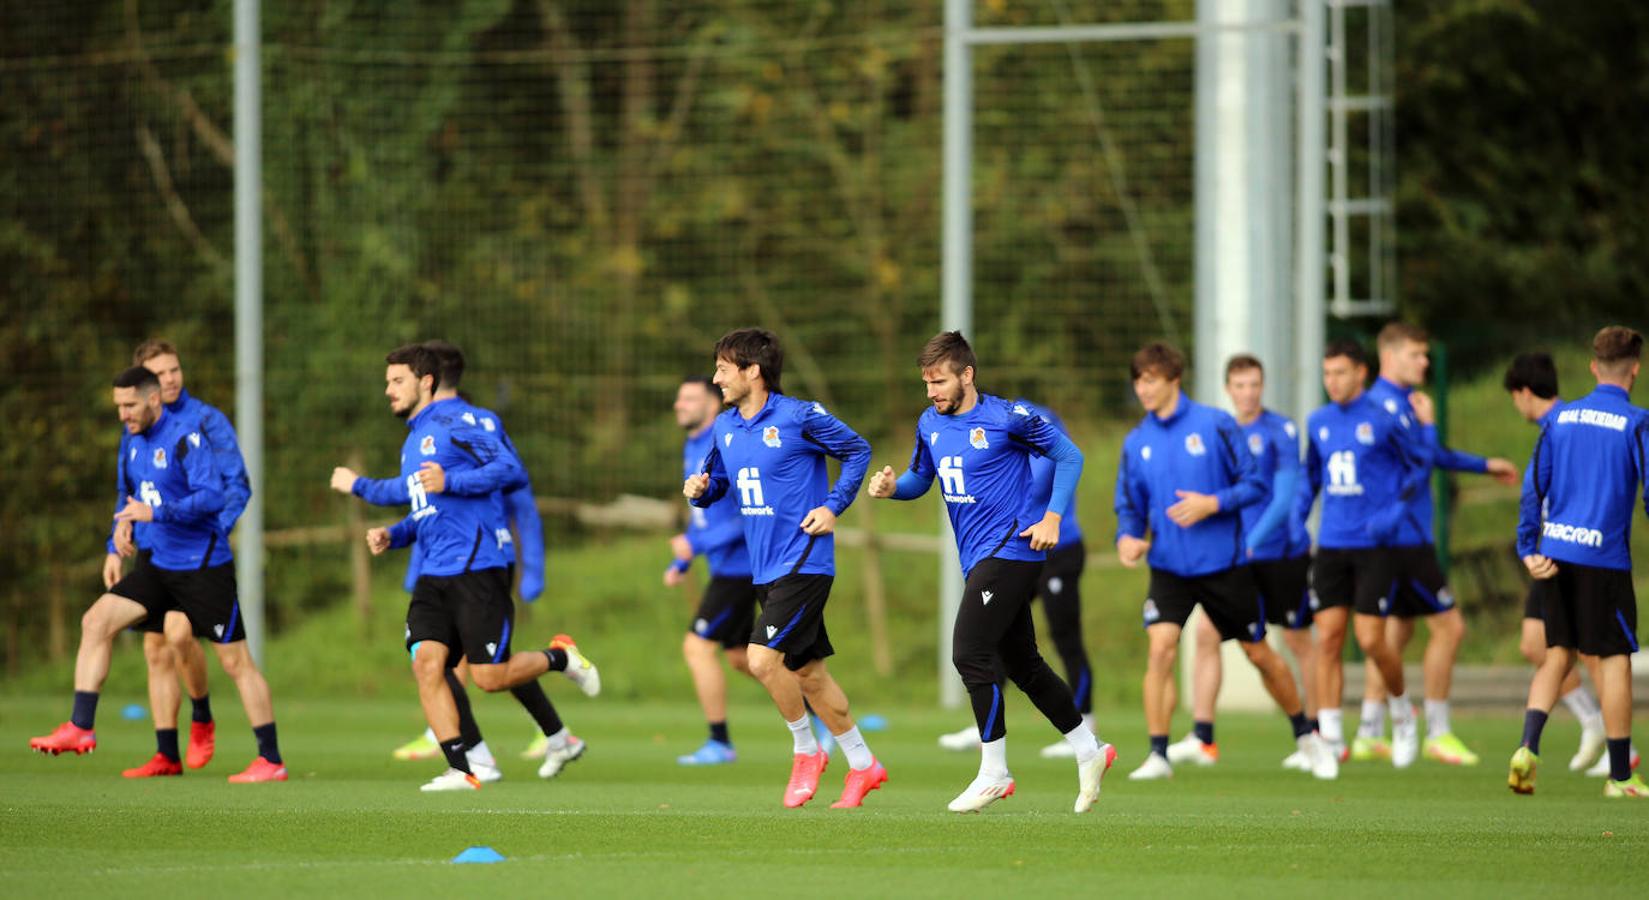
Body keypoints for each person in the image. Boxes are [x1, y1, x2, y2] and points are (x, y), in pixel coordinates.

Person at [869, 332, 1113, 813]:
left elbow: (1070, 455)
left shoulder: (1006, 418)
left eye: (939, 381)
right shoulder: (929, 423)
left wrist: (1053, 516)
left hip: (1013, 550)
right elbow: (923, 478)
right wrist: (894, 487)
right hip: (977, 557)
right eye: (926, 383)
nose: (932, 392)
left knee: (969, 651)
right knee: (1024, 664)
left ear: (967, 375)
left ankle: (994, 771)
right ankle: (1090, 749)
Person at [333, 340, 582, 782]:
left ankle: (559, 658)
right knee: (426, 662)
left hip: (476, 564)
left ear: (425, 382)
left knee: (488, 676)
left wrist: (448, 480)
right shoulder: (413, 439)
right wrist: (395, 534)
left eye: (397, 381)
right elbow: (424, 505)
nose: (388, 390)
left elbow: (510, 469)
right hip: (434, 569)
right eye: (387, 381)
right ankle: (464, 766)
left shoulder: (455, 421)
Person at [31, 366, 286, 783]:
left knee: (235, 660)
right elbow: (127, 494)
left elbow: (213, 496)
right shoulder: (130, 441)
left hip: (203, 567)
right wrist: (118, 538)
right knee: (96, 621)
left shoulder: (187, 437)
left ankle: (271, 759)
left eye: (129, 405)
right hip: (157, 566)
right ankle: (80, 726)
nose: (123, 414)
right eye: (118, 406)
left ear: (153, 400)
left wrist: (157, 513)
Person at [683, 328, 885, 808]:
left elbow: (858, 451)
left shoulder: (800, 417)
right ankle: (864, 765)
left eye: (724, 370)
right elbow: (720, 483)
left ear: (753, 371)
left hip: (805, 561)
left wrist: (834, 505)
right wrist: (701, 489)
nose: (717, 379)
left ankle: (806, 751)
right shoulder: (726, 427)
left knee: (759, 660)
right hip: (764, 568)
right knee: (810, 675)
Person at [1114, 343, 1331, 782]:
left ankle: (1307, 735)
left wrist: (1213, 503)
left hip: (1223, 566)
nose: (1143, 389)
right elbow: (1129, 505)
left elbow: (1255, 485)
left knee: (1260, 654)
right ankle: (1158, 754)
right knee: (1161, 649)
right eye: (1138, 381)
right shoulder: (1137, 442)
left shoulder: (1215, 425)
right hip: (1170, 568)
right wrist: (1128, 537)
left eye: (1151, 380)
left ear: (1175, 379)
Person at [1350, 323, 1519, 767]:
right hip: (1402, 539)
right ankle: (1438, 731)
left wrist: (1483, 464)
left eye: (1426, 355)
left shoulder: (1402, 403)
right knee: (1449, 628)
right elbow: (1424, 459)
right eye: (1416, 354)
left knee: (1396, 633)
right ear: (1390, 355)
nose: (1424, 362)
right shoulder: (1385, 406)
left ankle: (1369, 727)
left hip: (1401, 535)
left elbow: (1431, 453)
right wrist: (1427, 427)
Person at [1510, 326, 1649, 799]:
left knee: (1556, 655)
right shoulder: (1636, 423)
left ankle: (1528, 747)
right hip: (1603, 559)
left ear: (1593, 367)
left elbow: (1534, 488)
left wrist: (1529, 547)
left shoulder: (1561, 418)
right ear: (1635, 369)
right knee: (1613, 662)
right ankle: (1621, 777)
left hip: (1556, 553)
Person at [1166, 354, 1320, 772]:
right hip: (1236, 558)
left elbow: (1284, 496)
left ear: (1262, 386)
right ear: (1229, 389)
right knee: (1206, 634)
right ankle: (1203, 738)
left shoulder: (1280, 430)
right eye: (1240, 385)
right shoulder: (1220, 430)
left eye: (1254, 384)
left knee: (1297, 642)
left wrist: (1252, 540)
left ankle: (1317, 734)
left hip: (1280, 553)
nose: (1248, 392)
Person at [103, 340, 249, 776]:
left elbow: (235, 485)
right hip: (152, 549)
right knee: (155, 649)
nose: (169, 379)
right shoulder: (135, 422)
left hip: (196, 551)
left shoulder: (204, 420)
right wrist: (115, 544)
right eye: (159, 373)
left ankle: (201, 714)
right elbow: (127, 491)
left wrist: (206, 535)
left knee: (181, 636)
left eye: (174, 370)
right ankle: (166, 752)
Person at [937, 401, 1101, 760]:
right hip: (1015, 546)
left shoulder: (1028, 419)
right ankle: (991, 727)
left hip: (1056, 546)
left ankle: (1086, 721)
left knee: (1063, 636)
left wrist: (1025, 513)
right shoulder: (982, 422)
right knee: (1000, 642)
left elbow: (1054, 466)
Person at [1299, 339, 1427, 777]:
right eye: (1326, 373)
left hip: (1375, 546)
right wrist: (1298, 519)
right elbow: (1310, 477)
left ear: (1361, 374)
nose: (1331, 381)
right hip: (1333, 543)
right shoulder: (1318, 421)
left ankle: (1402, 713)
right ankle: (1330, 739)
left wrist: (1395, 511)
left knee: (1371, 639)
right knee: (1328, 638)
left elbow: (1418, 466)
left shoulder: (1384, 420)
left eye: (1340, 372)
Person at [667, 376, 759, 765]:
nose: (679, 404)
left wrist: (698, 546)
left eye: (689, 398)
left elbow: (749, 510)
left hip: (742, 569)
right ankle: (821, 707)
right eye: (678, 398)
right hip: (727, 568)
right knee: (743, 658)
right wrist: (683, 559)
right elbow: (701, 515)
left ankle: (719, 742)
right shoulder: (693, 447)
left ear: (711, 404)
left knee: (698, 646)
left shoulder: (724, 443)